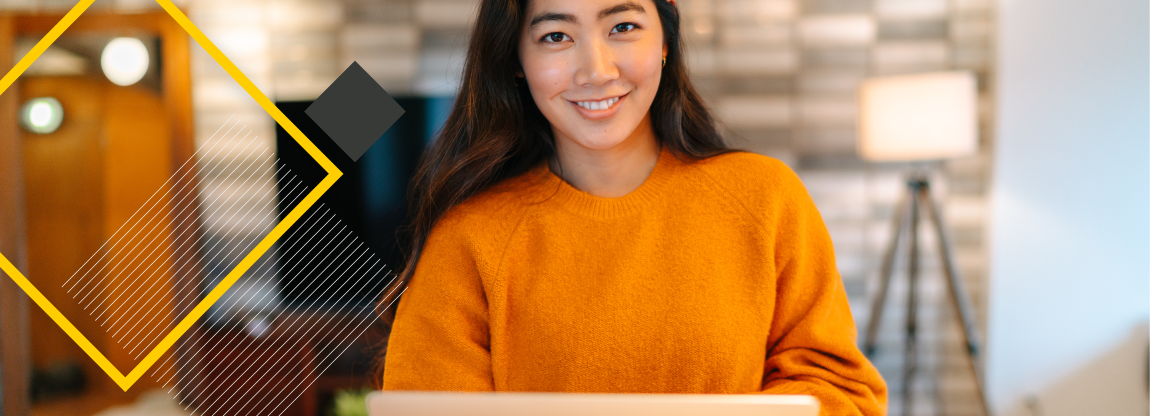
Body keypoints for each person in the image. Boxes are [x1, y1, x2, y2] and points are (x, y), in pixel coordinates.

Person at [378, 0, 888, 414]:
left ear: (664, 38)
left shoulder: (766, 198)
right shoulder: (468, 236)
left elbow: (842, 392)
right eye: (556, 36)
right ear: (516, 60)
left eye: (622, 26)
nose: (596, 70)